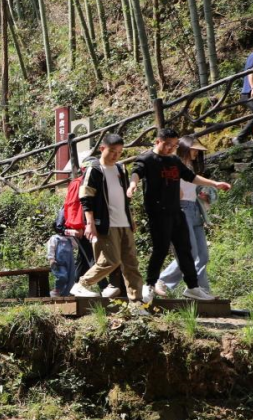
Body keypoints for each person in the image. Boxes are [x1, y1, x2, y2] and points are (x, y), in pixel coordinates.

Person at [128, 128, 231, 301]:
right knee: (160, 250)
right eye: (168, 145)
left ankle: (192, 287)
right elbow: (136, 172)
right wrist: (132, 185)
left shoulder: (175, 160)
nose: (171, 148)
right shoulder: (147, 159)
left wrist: (215, 183)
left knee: (186, 250)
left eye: (174, 145)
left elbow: (191, 177)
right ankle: (150, 285)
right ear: (157, 141)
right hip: (158, 213)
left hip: (177, 211)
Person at [70, 134, 144, 301]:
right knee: (110, 260)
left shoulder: (121, 169)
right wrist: (90, 224)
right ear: (102, 149)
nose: (115, 155)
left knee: (131, 264)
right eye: (112, 151)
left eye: (119, 152)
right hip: (105, 223)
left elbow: (124, 198)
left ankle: (137, 303)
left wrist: (130, 218)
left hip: (124, 223)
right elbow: (86, 198)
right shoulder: (94, 170)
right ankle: (81, 284)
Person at [155, 136, 217, 297]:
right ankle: (162, 280)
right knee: (190, 252)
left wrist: (203, 195)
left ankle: (199, 289)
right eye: (193, 149)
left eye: (197, 150)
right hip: (180, 210)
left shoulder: (191, 168)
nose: (196, 152)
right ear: (185, 148)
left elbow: (192, 190)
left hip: (195, 210)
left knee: (202, 255)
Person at [46, 229, 78, 297]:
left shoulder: (70, 239)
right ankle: (56, 290)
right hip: (59, 263)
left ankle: (66, 294)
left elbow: (76, 245)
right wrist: (51, 259)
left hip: (70, 263)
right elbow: (50, 249)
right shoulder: (54, 238)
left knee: (71, 279)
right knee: (62, 276)